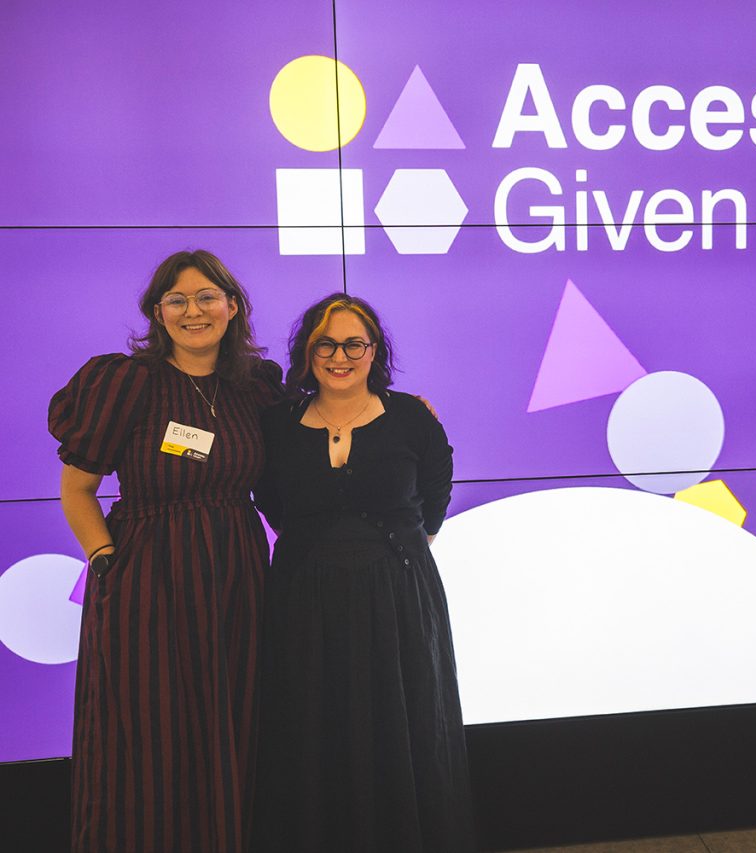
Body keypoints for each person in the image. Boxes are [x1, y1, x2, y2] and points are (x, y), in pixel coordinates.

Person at [48, 250, 283, 853]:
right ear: (158, 313)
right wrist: (106, 561)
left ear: (233, 307)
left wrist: (406, 413)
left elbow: (332, 411)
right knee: (146, 735)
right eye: (175, 300)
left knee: (230, 721)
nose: (193, 310)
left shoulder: (255, 388)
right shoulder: (126, 383)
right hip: (147, 577)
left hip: (236, 575)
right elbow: (77, 489)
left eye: (207, 296)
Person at [253, 294, 475, 852]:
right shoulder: (276, 423)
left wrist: (387, 552)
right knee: (312, 725)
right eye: (325, 343)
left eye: (355, 343)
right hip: (304, 596)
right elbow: (271, 500)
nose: (340, 355)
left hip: (398, 593)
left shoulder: (411, 417)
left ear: (375, 350)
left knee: (403, 724)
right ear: (307, 351)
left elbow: (434, 498)